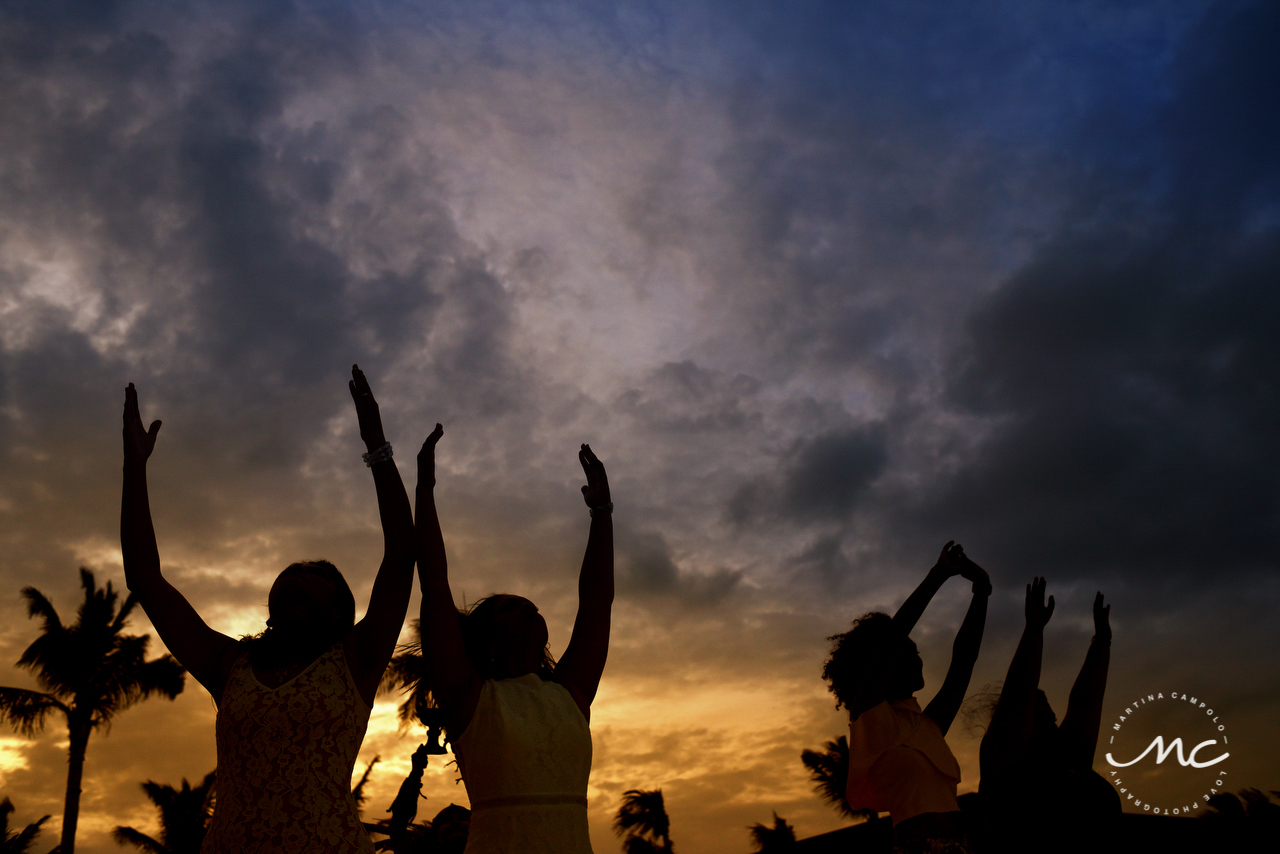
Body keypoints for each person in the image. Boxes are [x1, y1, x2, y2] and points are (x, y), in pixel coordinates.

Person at [120, 366, 416, 854]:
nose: (299, 573)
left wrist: (377, 447)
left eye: (318, 573)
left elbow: (402, 553)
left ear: (341, 610)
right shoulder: (230, 665)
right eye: (293, 570)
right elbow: (146, 581)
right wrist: (134, 471)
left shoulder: (355, 659)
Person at [412, 425, 613, 854]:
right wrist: (424, 490)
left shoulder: (569, 694)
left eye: (530, 605)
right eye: (511, 608)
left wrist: (602, 514)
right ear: (486, 641)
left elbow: (597, 602)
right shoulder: (470, 698)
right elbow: (434, 584)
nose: (529, 608)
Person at [823, 542, 991, 854]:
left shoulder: (925, 726)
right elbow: (892, 639)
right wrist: (937, 576)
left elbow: (964, 661)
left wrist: (982, 592)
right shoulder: (872, 720)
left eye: (916, 653)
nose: (916, 660)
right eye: (906, 654)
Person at [977, 579, 1118, 854]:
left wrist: (1101, 643)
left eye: (1049, 712)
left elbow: (1084, 705)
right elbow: (1018, 695)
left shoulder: (1067, 760)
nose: (1053, 715)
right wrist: (1033, 629)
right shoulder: (1005, 765)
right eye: (1039, 712)